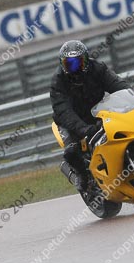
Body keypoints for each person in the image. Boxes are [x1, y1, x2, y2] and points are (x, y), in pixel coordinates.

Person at [50, 40, 129, 191]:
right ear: (62, 64)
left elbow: (117, 85)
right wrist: (84, 129)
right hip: (70, 121)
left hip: (98, 111)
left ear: (86, 60)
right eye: (69, 64)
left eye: (78, 63)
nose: (74, 68)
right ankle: (82, 177)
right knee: (72, 150)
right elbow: (64, 111)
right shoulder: (58, 81)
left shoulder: (97, 68)